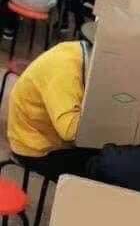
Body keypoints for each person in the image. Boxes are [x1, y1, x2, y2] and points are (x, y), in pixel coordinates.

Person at [7, 39, 99, 179]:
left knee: (111, 157)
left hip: (45, 136)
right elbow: (70, 131)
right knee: (106, 168)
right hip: (36, 149)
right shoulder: (66, 70)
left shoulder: (76, 52)